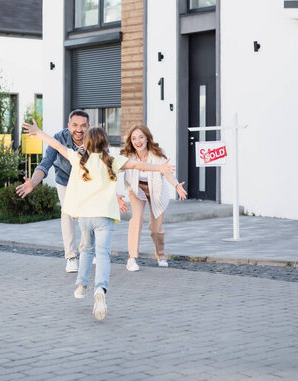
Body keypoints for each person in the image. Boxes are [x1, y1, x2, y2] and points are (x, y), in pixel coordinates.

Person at [22, 121, 175, 321]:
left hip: (85, 217)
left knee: (86, 250)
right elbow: (138, 164)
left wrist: (38, 132)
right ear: (105, 144)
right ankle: (100, 289)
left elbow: (57, 145)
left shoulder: (78, 158)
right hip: (105, 217)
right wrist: (160, 168)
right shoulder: (113, 160)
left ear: (85, 144)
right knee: (103, 254)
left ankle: (81, 286)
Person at [16, 109, 127, 273]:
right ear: (69, 125)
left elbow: (108, 169)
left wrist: (114, 196)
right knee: (67, 213)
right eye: (75, 125)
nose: (79, 129)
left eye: (83, 125)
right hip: (65, 181)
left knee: (89, 215)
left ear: (88, 126)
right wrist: (33, 182)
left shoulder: (95, 139)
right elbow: (45, 164)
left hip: (87, 182)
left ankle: (85, 251)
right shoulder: (60, 137)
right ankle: (71, 257)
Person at [121, 124, 187, 272]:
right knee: (136, 220)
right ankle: (132, 258)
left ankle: (160, 255)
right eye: (134, 138)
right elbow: (113, 171)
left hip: (156, 190)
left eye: (140, 137)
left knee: (156, 228)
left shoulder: (156, 155)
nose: (137, 141)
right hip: (136, 188)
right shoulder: (128, 155)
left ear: (147, 138)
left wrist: (177, 186)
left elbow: (167, 172)